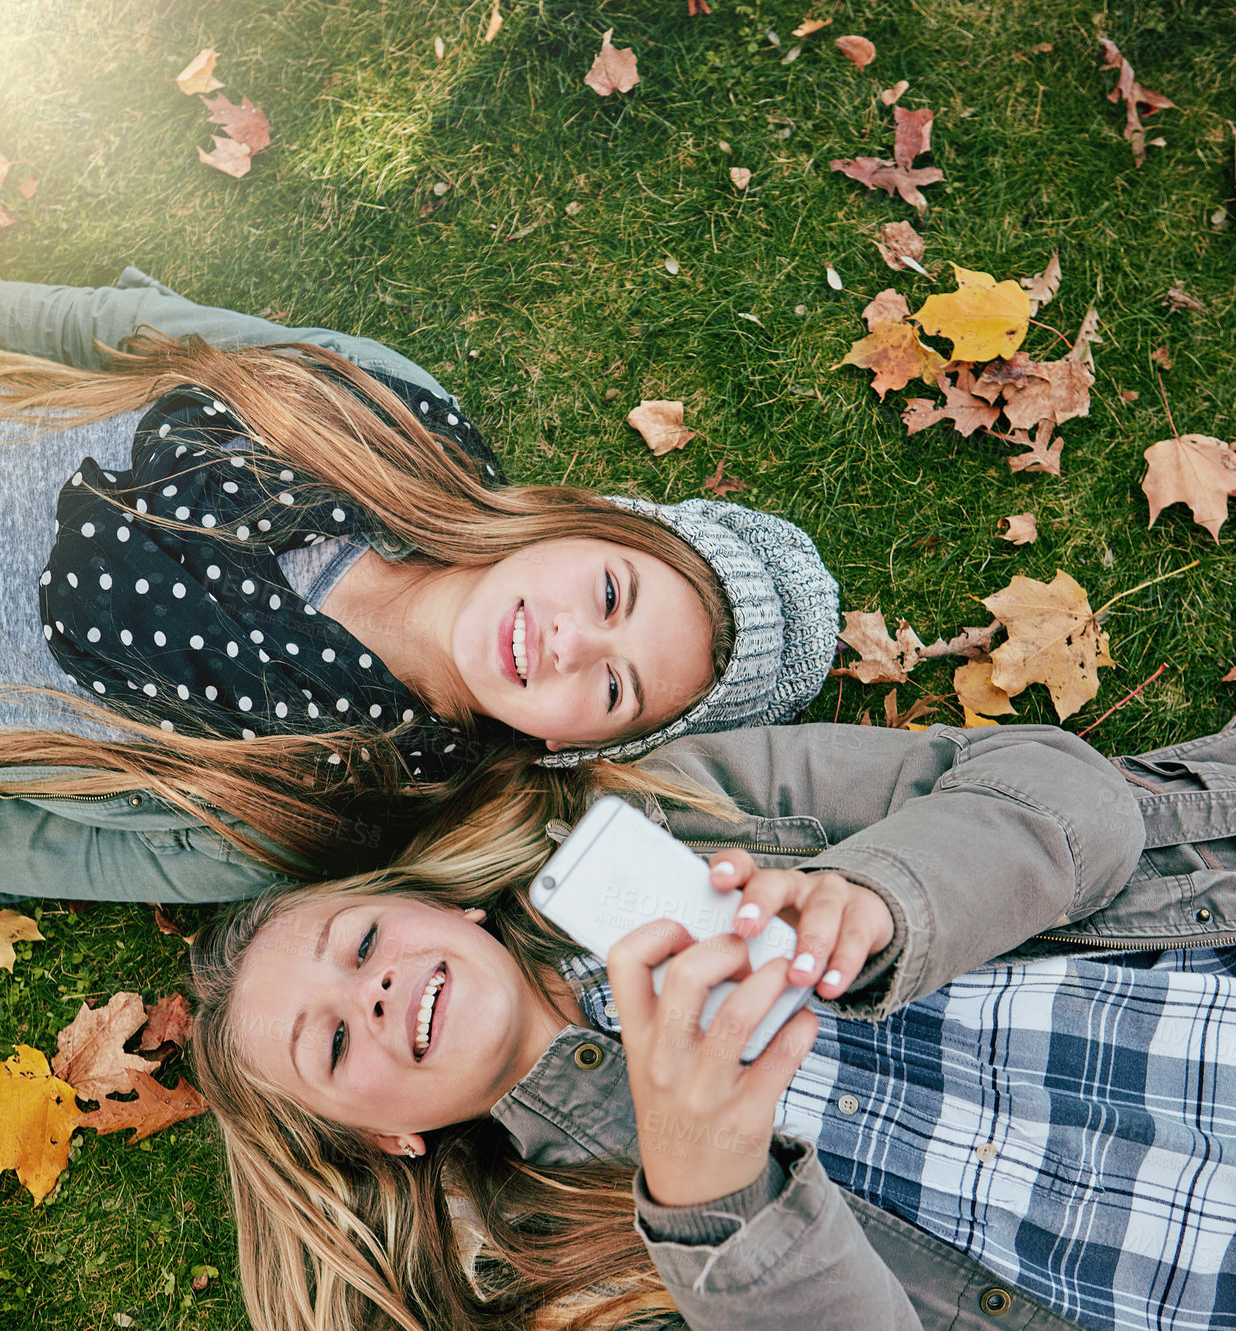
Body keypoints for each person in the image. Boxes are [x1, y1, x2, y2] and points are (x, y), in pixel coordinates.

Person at [189, 715, 1236, 1331]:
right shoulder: (564, 1300)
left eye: (362, 941)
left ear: (443, 910)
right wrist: (713, 1203)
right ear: (386, 1141)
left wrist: (883, 899)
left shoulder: (670, 808)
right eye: (329, 1045)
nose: (369, 994)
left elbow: (1080, 797)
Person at [0, 269, 838, 902]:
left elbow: (55, 850)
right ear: (584, 525)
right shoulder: (392, 414)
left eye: (615, 686)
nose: (570, 642)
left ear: (575, 749)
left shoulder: (332, 806)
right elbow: (124, 335)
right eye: (612, 594)